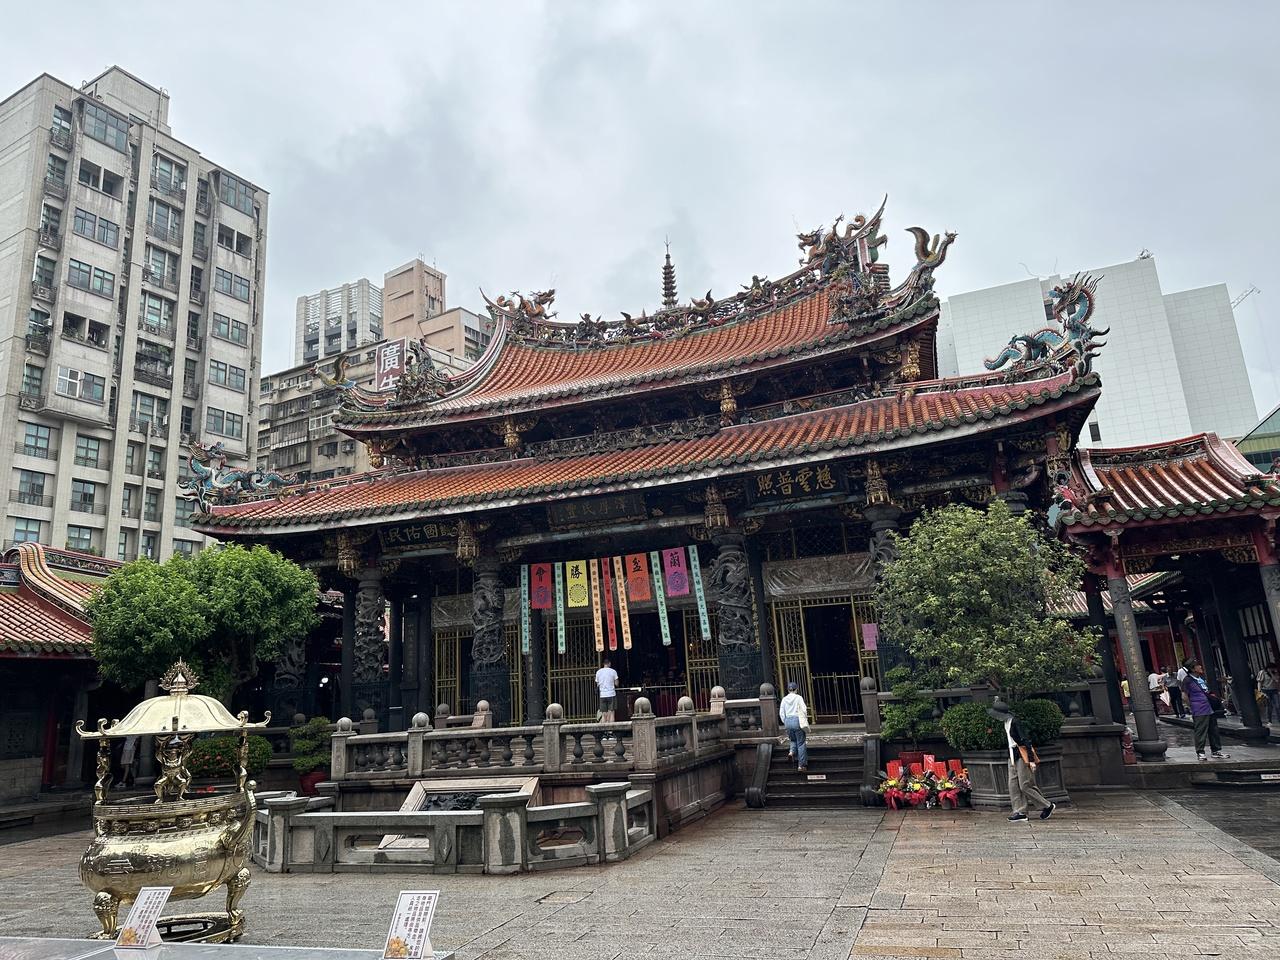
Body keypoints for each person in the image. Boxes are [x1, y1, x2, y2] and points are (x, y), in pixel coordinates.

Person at [989, 702, 1055, 823]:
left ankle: (1047, 805)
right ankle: (1020, 812)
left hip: (1021, 755)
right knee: (1013, 785)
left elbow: (1025, 740)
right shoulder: (1006, 722)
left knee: (1025, 785)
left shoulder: (1015, 722)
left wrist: (1031, 760)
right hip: (1012, 755)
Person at [1184, 659, 1230, 761]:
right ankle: (1200, 752)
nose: (1200, 666)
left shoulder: (1200, 678)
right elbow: (1184, 695)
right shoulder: (1188, 680)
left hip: (1209, 707)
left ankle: (1216, 751)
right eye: (1197, 665)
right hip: (1199, 708)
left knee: (1213, 730)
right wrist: (1191, 706)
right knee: (1201, 730)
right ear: (1192, 669)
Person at [778, 680, 810, 771]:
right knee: (801, 743)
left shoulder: (784, 699)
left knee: (792, 739)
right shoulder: (799, 698)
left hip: (788, 721)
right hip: (797, 720)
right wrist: (805, 719)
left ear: (788, 690)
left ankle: (791, 752)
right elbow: (804, 709)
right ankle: (801, 765)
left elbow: (781, 712)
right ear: (796, 689)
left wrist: (785, 721)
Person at [595, 658, 620, 723]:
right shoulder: (613, 671)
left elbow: (597, 684)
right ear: (609, 663)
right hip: (611, 694)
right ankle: (611, 728)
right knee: (611, 713)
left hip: (602, 695)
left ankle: (604, 728)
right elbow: (616, 683)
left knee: (603, 714)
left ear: (603, 664)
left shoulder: (598, 672)